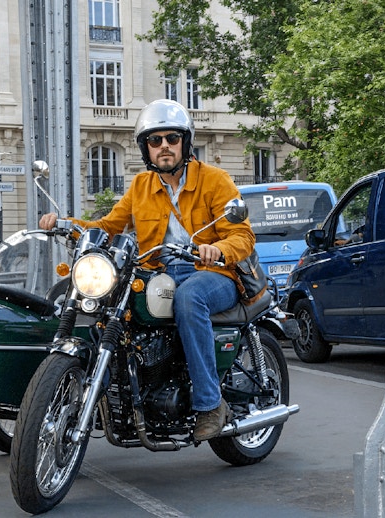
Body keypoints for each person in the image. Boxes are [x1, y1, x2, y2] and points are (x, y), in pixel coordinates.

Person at [39, 99, 256, 441]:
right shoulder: (142, 186)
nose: (164, 146)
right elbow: (108, 226)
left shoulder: (215, 180)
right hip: (157, 271)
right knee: (108, 300)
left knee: (189, 297)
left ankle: (210, 403)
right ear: (146, 148)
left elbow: (242, 235)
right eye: (156, 141)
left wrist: (219, 249)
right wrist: (66, 224)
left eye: (172, 138)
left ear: (185, 142)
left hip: (212, 273)